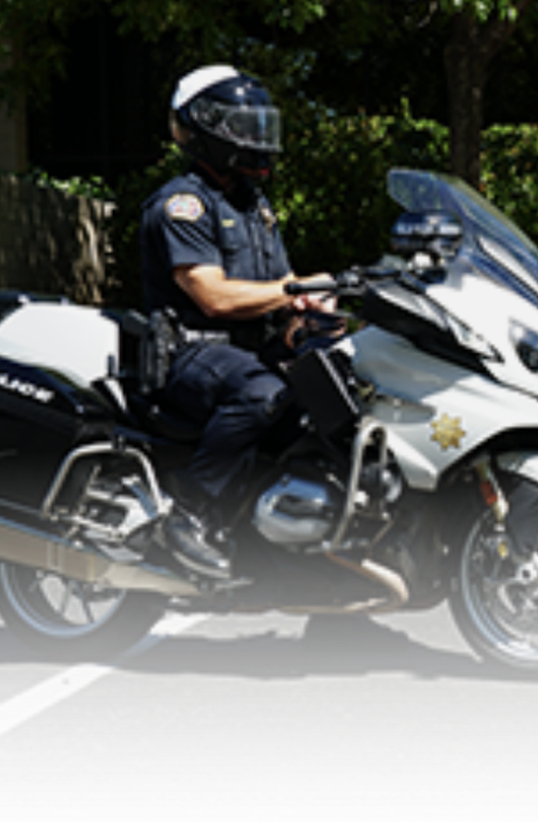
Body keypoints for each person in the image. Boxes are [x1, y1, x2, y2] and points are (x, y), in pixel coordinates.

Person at [140, 64, 406, 652]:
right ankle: (191, 515)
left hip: (249, 348)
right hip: (194, 351)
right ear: (204, 129)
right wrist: (293, 291)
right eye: (245, 125)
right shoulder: (183, 204)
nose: (259, 139)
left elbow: (281, 286)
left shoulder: (254, 205)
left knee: (345, 410)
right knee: (264, 394)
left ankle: (337, 601)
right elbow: (210, 295)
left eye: (264, 125)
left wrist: (316, 315)